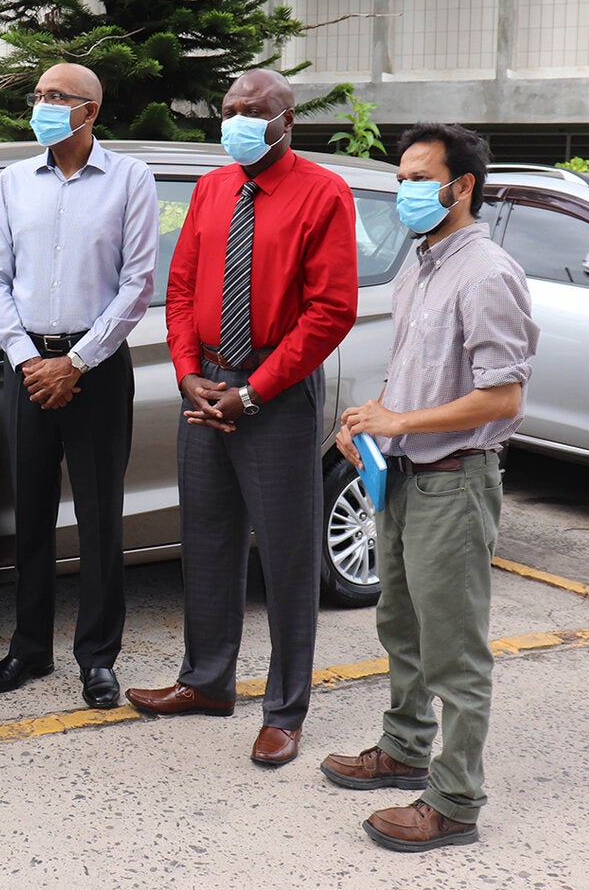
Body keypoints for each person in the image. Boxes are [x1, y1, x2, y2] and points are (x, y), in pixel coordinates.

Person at [126, 69, 358, 766]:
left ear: (287, 121)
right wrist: (188, 373)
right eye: (229, 110)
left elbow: (331, 311)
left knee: (287, 560)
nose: (237, 121)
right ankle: (207, 683)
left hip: (276, 391)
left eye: (253, 111)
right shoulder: (213, 186)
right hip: (208, 384)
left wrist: (253, 391)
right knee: (207, 541)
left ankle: (285, 711)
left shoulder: (324, 192)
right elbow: (182, 286)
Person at [322, 123, 537, 852]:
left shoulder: (486, 273)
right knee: (402, 626)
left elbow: (502, 399)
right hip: (406, 475)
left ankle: (454, 801)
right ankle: (405, 749)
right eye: (403, 176)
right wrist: (371, 426)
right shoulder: (422, 263)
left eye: (420, 178)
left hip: (454, 483)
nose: (406, 190)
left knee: (455, 650)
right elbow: (413, 369)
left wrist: (401, 419)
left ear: (461, 186)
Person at [0, 62, 159, 709]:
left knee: (101, 516)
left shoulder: (129, 180)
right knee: (30, 516)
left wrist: (76, 362)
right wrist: (30, 360)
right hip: (28, 369)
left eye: (59, 97)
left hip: (98, 369)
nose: (44, 105)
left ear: (91, 111)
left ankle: (97, 659)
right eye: (40, 95)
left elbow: (138, 284)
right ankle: (30, 649)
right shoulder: (14, 181)